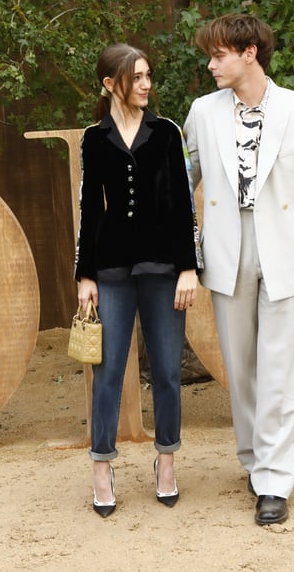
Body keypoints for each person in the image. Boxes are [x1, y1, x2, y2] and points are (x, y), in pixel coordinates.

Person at [182, 14, 294, 525]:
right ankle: (253, 458)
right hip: (226, 249)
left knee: (279, 365)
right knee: (242, 366)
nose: (210, 65)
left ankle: (274, 478)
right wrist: (187, 254)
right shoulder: (202, 113)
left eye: (219, 55)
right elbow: (180, 188)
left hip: (285, 249)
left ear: (249, 52)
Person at [75, 43, 201, 518]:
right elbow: (90, 209)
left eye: (150, 75)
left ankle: (166, 461)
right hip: (110, 269)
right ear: (111, 84)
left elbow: (183, 205)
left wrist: (189, 267)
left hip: (165, 269)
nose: (147, 84)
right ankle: (101, 467)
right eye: (138, 77)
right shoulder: (93, 138)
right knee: (107, 373)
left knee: (168, 370)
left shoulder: (167, 133)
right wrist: (84, 275)